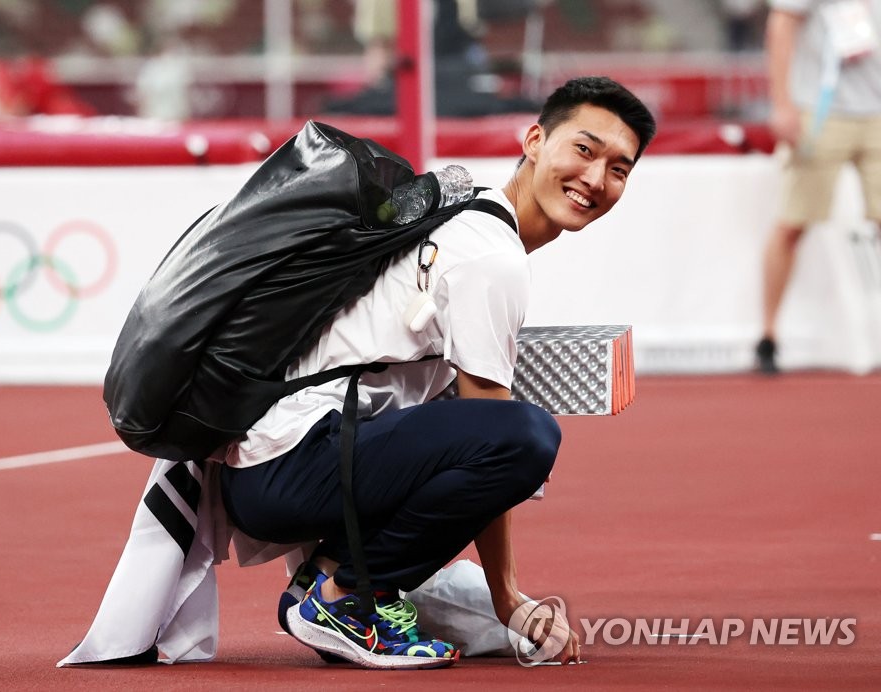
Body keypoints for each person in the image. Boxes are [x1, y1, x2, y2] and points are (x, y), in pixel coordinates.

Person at [218, 76, 656, 668]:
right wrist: (506, 599)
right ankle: (344, 597)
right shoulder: (493, 259)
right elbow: (495, 436)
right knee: (526, 439)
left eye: (619, 169)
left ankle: (334, 588)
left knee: (492, 434)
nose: (596, 180)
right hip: (294, 462)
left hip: (271, 462)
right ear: (534, 141)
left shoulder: (464, 203)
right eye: (583, 149)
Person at [755, 0, 881, 373]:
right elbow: (781, 25)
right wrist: (782, 104)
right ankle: (768, 336)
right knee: (793, 222)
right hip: (821, 110)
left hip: (878, 114)